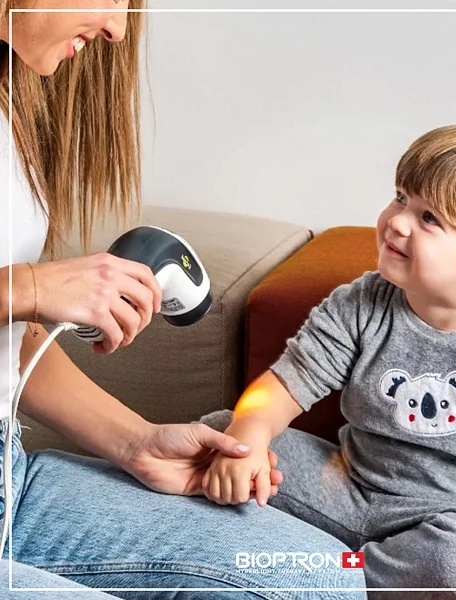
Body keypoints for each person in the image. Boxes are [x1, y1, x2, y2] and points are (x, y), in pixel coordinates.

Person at [0, 1, 367, 597]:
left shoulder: (10, 102)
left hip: (8, 478)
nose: (118, 28)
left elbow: (10, 341)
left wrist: (136, 442)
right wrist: (31, 287)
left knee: (321, 579)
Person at [199, 123, 456, 600]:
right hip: (347, 487)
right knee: (217, 435)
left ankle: (325, 571)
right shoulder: (360, 303)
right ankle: (332, 565)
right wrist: (249, 434)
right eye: (400, 198)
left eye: (428, 218)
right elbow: (289, 381)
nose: (397, 221)